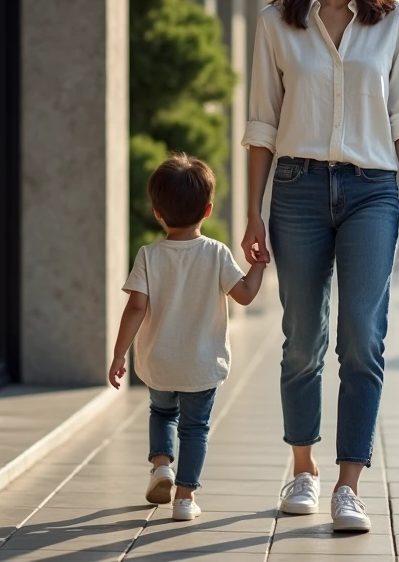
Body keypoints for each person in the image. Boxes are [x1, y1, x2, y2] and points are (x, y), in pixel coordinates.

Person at [241, 0, 399, 533]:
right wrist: (252, 212)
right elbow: (261, 122)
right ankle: (303, 468)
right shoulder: (276, 23)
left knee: (362, 341)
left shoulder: (394, 19)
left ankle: (350, 482)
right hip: (294, 188)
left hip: (374, 189)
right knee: (301, 339)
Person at [107, 154, 266, 522]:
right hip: (202, 364)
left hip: (158, 361)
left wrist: (119, 354)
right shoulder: (216, 253)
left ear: (156, 212)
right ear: (208, 210)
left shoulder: (149, 255)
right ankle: (184, 497)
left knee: (162, 412)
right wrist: (258, 264)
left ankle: (161, 464)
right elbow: (243, 294)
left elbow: (135, 309)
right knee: (195, 428)